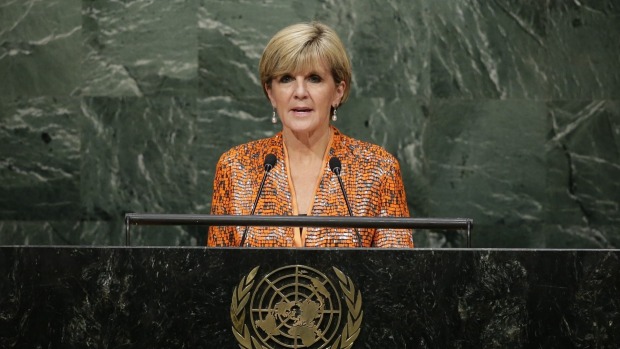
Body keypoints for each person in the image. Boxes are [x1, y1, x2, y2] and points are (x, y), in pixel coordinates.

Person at [207, 21, 413, 248]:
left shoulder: (378, 168)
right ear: (271, 93)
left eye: (314, 78)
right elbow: (218, 275)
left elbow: (398, 275)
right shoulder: (236, 167)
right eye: (286, 79)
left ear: (337, 92)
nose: (300, 92)